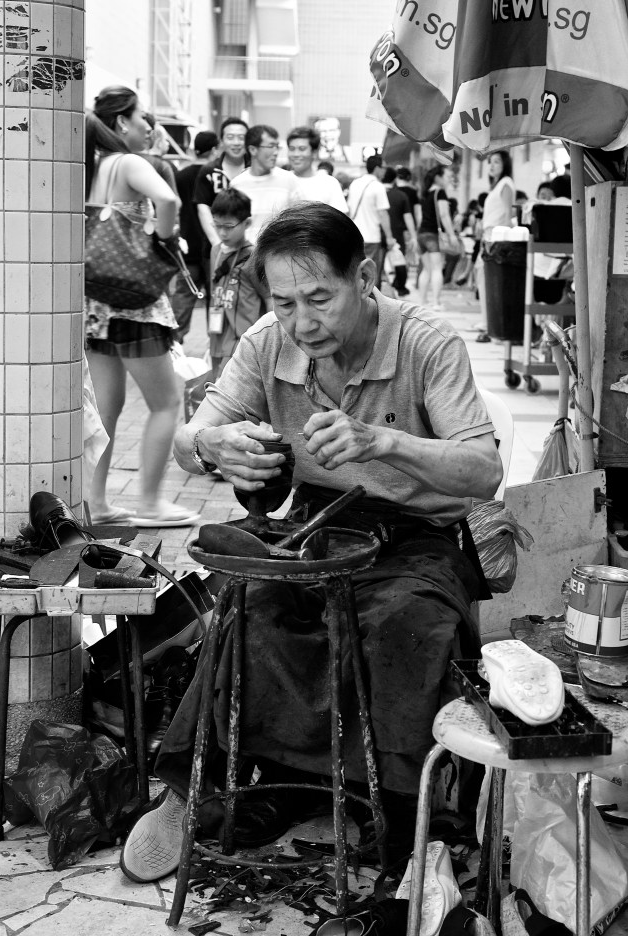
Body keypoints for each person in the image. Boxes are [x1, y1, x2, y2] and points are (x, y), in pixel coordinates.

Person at [119, 203, 501, 883]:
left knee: (403, 625)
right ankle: (197, 790)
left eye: (321, 297)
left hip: (421, 536)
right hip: (320, 523)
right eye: (285, 301)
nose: (303, 321)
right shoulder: (269, 341)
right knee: (254, 609)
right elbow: (187, 440)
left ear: (367, 276)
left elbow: (483, 469)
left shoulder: (425, 342)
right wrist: (215, 447)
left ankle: (401, 814)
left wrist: (381, 440)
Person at [84, 86, 199, 528]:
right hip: (135, 305)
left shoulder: (96, 168)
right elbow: (170, 200)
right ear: (121, 124)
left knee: (106, 410)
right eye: (144, 118)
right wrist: (163, 241)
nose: (151, 127)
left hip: (98, 303)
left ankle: (96, 503)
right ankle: (150, 501)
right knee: (166, 402)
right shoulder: (130, 163)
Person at [208, 188, 270, 377]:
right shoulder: (215, 250)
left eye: (228, 226)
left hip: (243, 341)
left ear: (247, 223)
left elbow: (269, 297)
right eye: (217, 225)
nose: (222, 232)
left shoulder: (254, 256)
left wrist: (270, 339)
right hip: (217, 339)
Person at [172, 130, 220, 344]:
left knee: (182, 300)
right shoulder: (216, 176)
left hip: (188, 248)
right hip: (214, 249)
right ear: (214, 150)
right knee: (217, 303)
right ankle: (216, 348)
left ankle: (173, 346)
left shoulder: (180, 176)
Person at [230, 124, 300, 243]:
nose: (276, 152)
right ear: (253, 150)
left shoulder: (289, 180)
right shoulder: (237, 185)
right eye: (271, 146)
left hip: (278, 254)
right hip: (246, 256)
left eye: (277, 147)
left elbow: (299, 220)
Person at [476, 150, 515, 344]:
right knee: (483, 281)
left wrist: (501, 241)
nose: (492, 165)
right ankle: (487, 323)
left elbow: (508, 216)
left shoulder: (506, 184)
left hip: (496, 240)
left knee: (491, 284)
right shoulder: (497, 185)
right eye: (490, 162)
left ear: (505, 164)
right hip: (488, 238)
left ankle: (492, 326)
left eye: (497, 162)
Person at [194, 117, 249, 251]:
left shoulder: (254, 169)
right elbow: (203, 208)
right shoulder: (209, 171)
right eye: (230, 137)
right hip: (217, 245)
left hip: (252, 247)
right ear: (222, 141)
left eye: (241, 137)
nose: (236, 143)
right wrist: (218, 244)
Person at [346, 154, 396, 285]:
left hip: (354, 236)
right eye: (384, 167)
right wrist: (390, 237)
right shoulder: (377, 186)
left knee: (355, 272)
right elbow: (383, 213)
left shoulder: (355, 183)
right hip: (371, 237)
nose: (385, 171)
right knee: (370, 275)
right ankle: (370, 302)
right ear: (378, 168)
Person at [416, 164, 458, 309]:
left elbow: (420, 216)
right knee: (437, 268)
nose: (449, 179)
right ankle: (436, 302)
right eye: (447, 176)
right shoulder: (440, 193)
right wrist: (452, 235)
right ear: (438, 177)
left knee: (426, 269)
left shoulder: (425, 193)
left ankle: (421, 301)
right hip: (433, 235)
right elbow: (444, 215)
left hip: (421, 234)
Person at [287, 126, 348, 212]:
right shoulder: (281, 181)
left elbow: (340, 221)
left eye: (302, 149)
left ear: (314, 153)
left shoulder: (329, 183)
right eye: (292, 149)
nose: (296, 154)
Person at [382, 166, 416, 296]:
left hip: (378, 234)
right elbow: (408, 217)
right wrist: (413, 236)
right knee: (399, 261)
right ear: (394, 179)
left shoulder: (377, 192)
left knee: (379, 263)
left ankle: (381, 288)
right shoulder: (401, 195)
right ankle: (400, 287)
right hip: (397, 233)